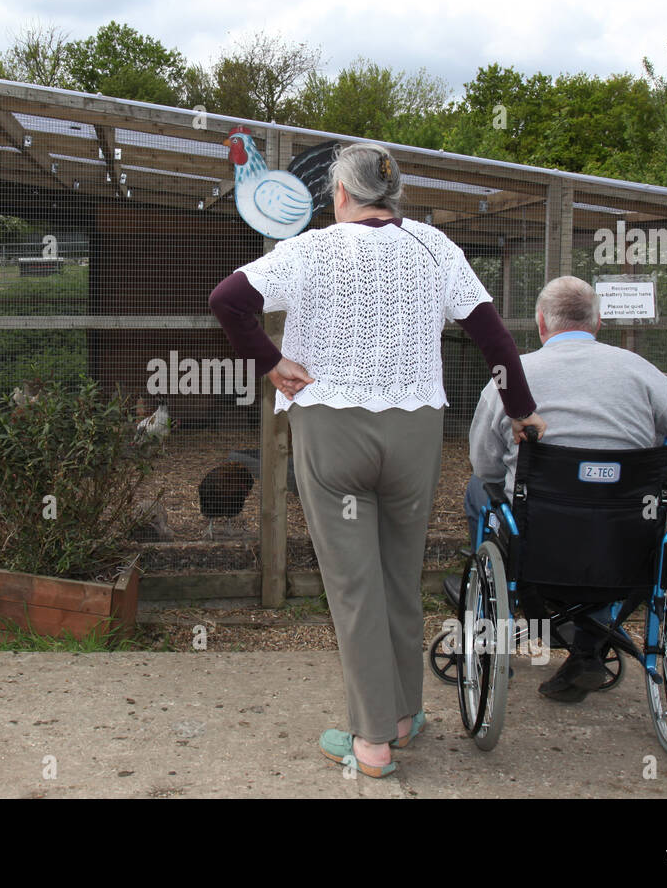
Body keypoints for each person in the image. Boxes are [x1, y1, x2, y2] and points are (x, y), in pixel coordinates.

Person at [209, 141, 545, 778]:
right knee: (399, 574)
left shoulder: (310, 249)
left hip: (332, 431)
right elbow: (491, 334)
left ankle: (371, 743)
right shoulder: (435, 247)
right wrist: (522, 410)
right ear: (393, 195)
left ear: (340, 193)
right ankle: (402, 716)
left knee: (354, 585)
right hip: (415, 433)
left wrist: (270, 362)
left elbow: (228, 299)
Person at [466, 275, 667, 702]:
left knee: (479, 490)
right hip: (623, 540)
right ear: (597, 322)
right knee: (611, 517)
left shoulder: (512, 377)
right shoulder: (640, 370)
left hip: (540, 536)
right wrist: (643, 463)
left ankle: (489, 601)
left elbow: (485, 463)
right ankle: (589, 643)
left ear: (541, 322)